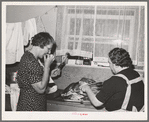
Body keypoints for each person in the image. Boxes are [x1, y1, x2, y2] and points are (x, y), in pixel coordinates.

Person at [80, 48, 144, 112]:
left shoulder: (115, 80)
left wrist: (87, 88)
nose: (110, 66)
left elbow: (96, 103)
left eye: (109, 63)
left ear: (115, 64)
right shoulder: (136, 74)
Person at [17, 32, 60, 111]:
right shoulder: (30, 61)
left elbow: (35, 79)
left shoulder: (30, 57)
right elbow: (41, 89)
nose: (49, 52)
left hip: (33, 104)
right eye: (48, 48)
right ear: (41, 44)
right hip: (30, 105)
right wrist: (47, 67)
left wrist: (49, 74)